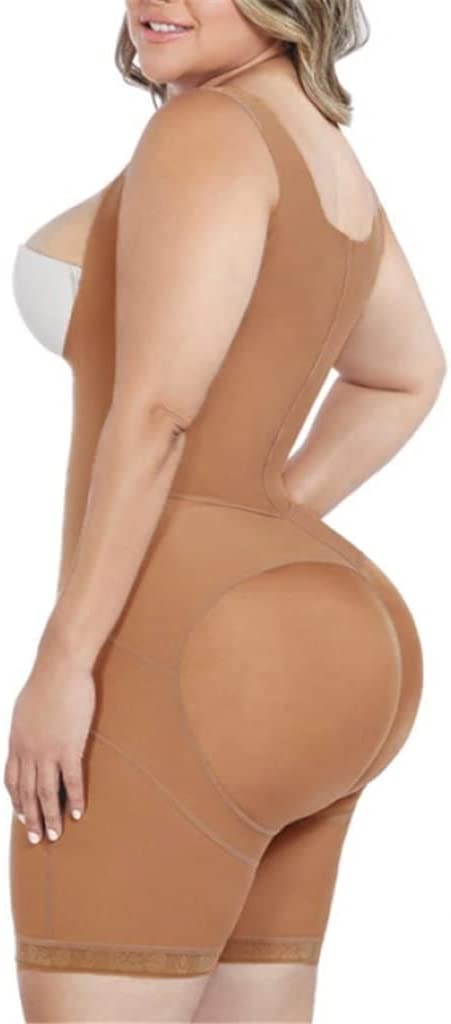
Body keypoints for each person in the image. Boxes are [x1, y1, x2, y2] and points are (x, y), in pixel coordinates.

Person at [5, 2, 447, 1022]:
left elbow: (158, 411)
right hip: (337, 648)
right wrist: (261, 516)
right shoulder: (322, 152)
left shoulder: (205, 133)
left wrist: (65, 661)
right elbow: (408, 372)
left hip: (180, 647)